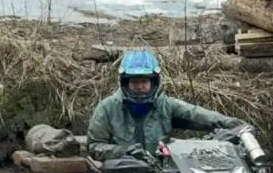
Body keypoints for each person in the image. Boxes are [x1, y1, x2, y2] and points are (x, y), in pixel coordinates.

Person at [87, 50, 245, 162]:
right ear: (125, 82)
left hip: (161, 171)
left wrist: (229, 122)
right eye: (134, 81)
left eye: (144, 81)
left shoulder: (165, 105)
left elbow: (194, 113)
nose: (139, 86)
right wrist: (124, 152)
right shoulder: (107, 108)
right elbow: (94, 146)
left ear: (153, 82)